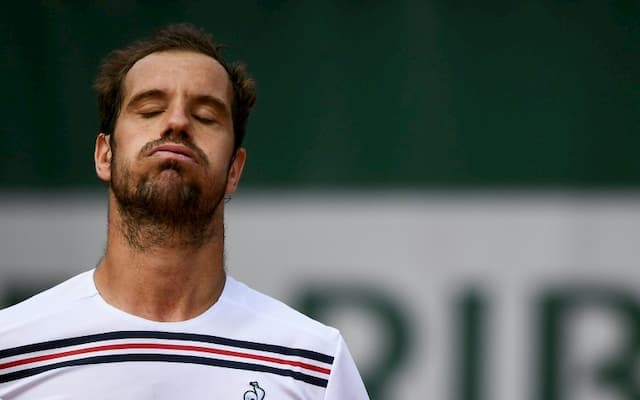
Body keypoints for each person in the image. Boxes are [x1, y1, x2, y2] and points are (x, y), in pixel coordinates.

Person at [0, 23, 369, 399]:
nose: (176, 122)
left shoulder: (314, 366)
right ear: (104, 154)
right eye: (151, 109)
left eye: (206, 116)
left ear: (234, 170)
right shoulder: (9, 354)